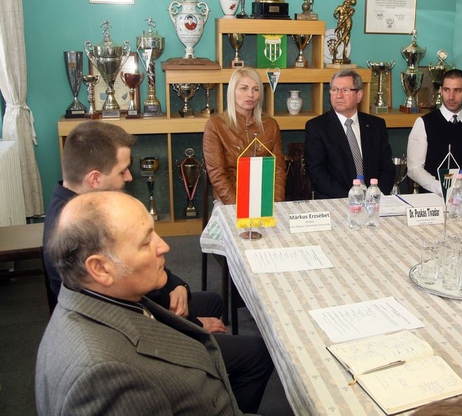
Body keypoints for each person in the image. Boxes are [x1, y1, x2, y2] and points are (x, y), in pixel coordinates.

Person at [43, 121, 273, 413]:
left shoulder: (80, 212)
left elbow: (127, 280)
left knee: (213, 301)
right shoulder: (102, 375)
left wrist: (178, 285)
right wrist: (193, 326)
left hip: (138, 314)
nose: (129, 177)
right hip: (141, 330)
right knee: (257, 353)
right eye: (123, 171)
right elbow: (135, 307)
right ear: (95, 179)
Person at [36, 191, 243, 415]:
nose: (164, 246)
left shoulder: (100, 295)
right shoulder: (103, 377)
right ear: (101, 268)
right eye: (146, 242)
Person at [305, 69, 395, 199]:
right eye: (334, 90)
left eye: (345, 90)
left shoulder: (376, 125)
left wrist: (376, 195)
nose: (339, 95)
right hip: (335, 200)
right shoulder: (317, 127)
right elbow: (317, 172)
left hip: (373, 201)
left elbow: (387, 167)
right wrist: (352, 198)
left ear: (359, 95)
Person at [204, 67, 286, 205]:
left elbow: (278, 170)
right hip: (229, 201)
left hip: (264, 199)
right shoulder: (215, 125)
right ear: (232, 91)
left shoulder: (271, 125)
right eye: (244, 88)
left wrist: (275, 203)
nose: (250, 95)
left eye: (255, 89)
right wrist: (238, 207)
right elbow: (217, 174)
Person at [406, 69, 462, 195]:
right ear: (441, 90)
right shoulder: (423, 123)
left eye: (457, 90)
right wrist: (441, 188)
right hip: (432, 197)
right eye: (447, 90)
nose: (451, 97)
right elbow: (414, 168)